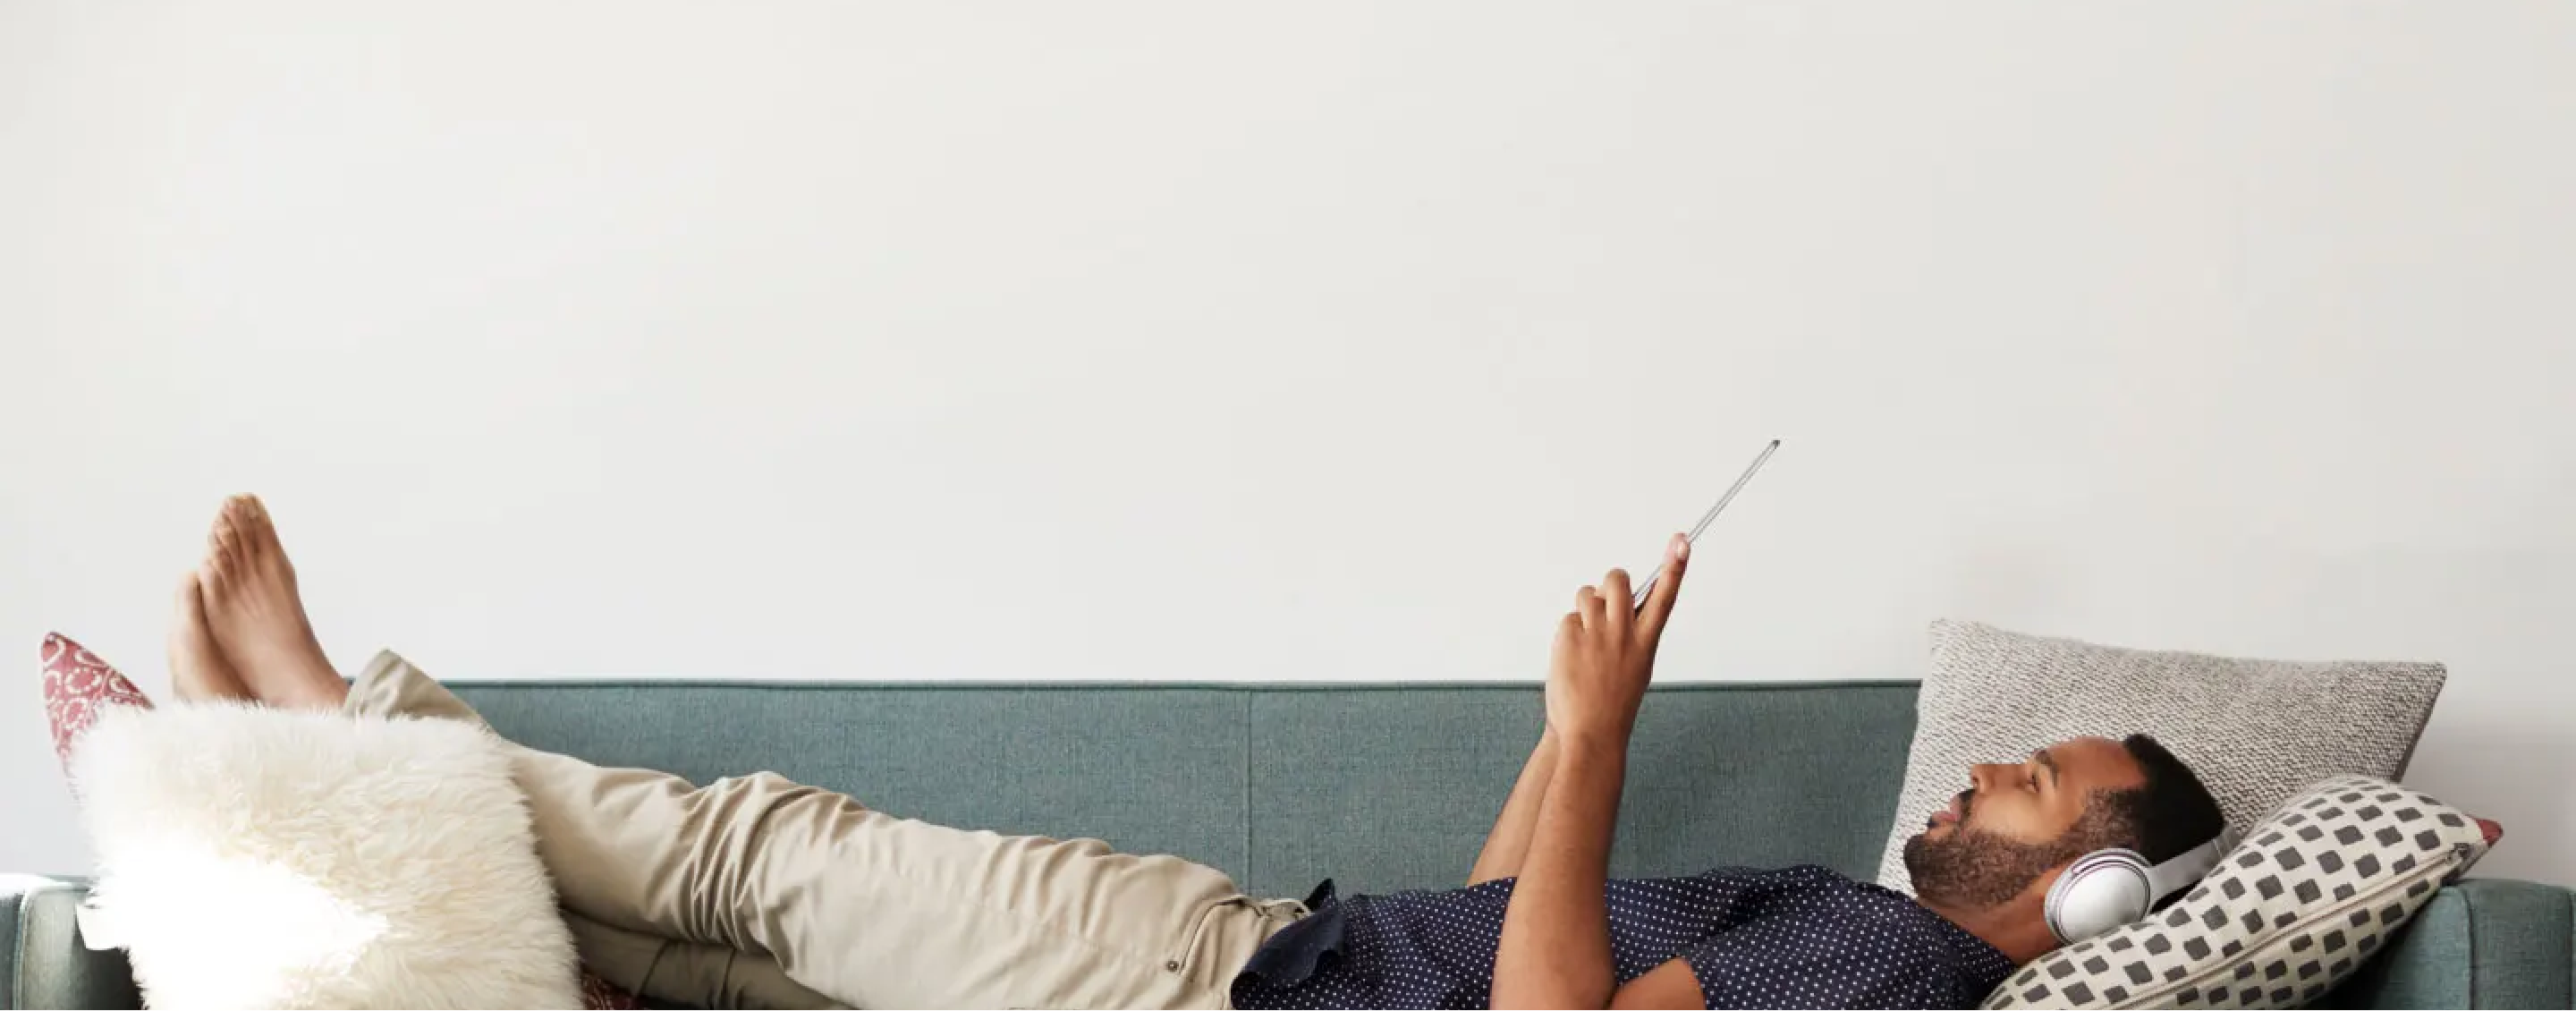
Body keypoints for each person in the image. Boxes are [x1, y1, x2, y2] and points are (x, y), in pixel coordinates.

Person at [167, 495, 2224, 1011]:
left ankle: (339, 711)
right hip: (1266, 959)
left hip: (1207, 974)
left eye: (2025, 784)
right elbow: (1521, 924)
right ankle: (323, 773)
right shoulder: (1867, 935)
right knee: (734, 960)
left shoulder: (1904, 967)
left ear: (2091, 890)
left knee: (755, 868)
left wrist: (1601, 739)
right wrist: (1565, 737)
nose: (1966, 778)